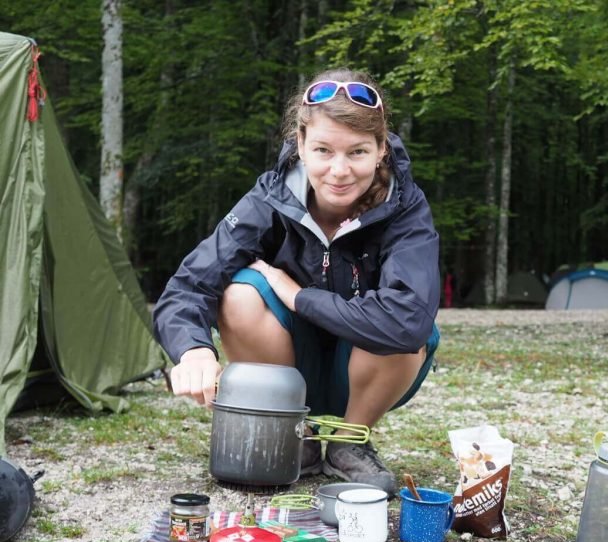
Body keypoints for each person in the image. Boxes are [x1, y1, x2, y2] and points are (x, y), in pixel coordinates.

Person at [152, 69, 441, 495]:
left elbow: (409, 320)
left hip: (365, 367)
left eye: (357, 152)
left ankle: (349, 441)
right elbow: (189, 285)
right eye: (323, 150)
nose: (339, 171)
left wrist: (300, 295)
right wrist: (193, 351)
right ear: (301, 145)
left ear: (381, 150)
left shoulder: (406, 206)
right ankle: (293, 434)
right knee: (238, 295)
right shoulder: (269, 197)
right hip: (285, 362)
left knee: (412, 326)